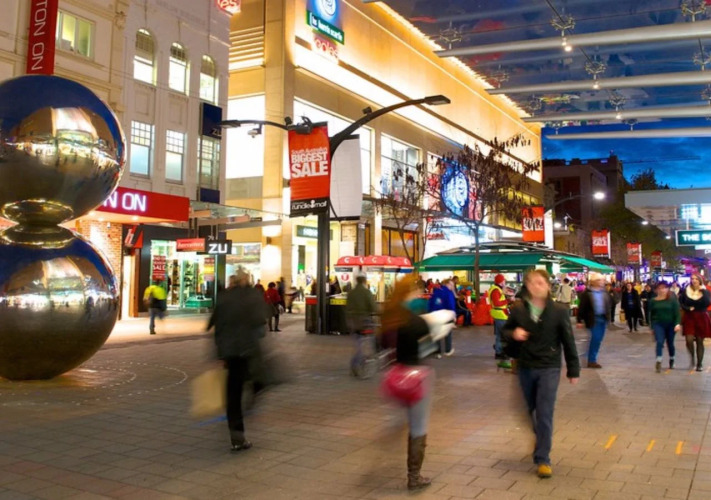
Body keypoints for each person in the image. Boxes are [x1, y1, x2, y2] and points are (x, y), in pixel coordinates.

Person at [502, 269, 580, 479]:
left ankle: (543, 458)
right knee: (531, 410)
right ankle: (541, 438)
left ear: (547, 286)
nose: (536, 286)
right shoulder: (519, 310)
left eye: (540, 283)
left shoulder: (559, 311)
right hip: (526, 366)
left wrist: (573, 369)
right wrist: (513, 333)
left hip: (549, 366)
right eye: (532, 283)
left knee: (544, 412)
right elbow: (505, 331)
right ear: (527, 286)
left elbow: (568, 341)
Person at [381, 276, 434, 490]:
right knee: (418, 426)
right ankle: (414, 476)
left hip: (395, 377)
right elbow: (429, 349)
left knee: (404, 417)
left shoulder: (388, 317)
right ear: (410, 294)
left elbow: (380, 344)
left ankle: (395, 427)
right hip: (416, 377)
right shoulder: (416, 321)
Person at [207, 271, 268, 452]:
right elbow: (261, 323)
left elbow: (214, 324)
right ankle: (252, 395)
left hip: (230, 353)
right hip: (248, 350)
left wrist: (220, 353)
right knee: (258, 378)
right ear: (246, 281)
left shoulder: (224, 298)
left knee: (232, 393)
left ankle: (236, 435)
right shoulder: (251, 296)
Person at [576, 273, 610, 368]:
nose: (602, 282)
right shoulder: (587, 293)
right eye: (599, 280)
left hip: (603, 318)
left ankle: (588, 355)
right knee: (596, 339)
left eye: (602, 280)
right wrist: (579, 320)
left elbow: (609, 303)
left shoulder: (604, 292)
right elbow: (582, 307)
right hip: (593, 319)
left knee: (598, 339)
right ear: (593, 282)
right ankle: (591, 360)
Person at [679, 273, 711, 371]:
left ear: (700, 280)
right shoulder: (686, 290)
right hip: (690, 317)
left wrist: (703, 292)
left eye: (696, 279)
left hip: (701, 316)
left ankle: (699, 363)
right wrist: (687, 308)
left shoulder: (705, 291)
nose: (694, 280)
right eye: (692, 279)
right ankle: (692, 358)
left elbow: (707, 302)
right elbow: (681, 302)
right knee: (689, 340)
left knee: (699, 340)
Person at [346, 273, 377, 375]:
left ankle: (355, 363)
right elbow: (373, 308)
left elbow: (347, 308)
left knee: (357, 343)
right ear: (364, 281)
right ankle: (370, 357)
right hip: (365, 321)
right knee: (371, 339)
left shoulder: (351, 293)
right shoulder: (367, 292)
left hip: (353, 322)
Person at [649, 281, 681, 372]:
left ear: (667, 289)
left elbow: (677, 313)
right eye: (659, 288)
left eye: (663, 288)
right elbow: (651, 314)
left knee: (670, 343)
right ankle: (659, 360)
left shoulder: (672, 300)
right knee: (659, 342)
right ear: (656, 290)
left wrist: (677, 323)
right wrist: (652, 327)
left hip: (671, 324)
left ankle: (672, 359)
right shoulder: (653, 301)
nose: (661, 290)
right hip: (658, 324)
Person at [428, 279, 456, 356]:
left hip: (435, 315)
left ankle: (438, 351)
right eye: (451, 285)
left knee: (437, 333)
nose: (453, 287)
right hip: (446, 315)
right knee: (448, 333)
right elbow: (451, 304)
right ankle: (448, 350)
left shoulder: (436, 291)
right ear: (447, 284)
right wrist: (453, 315)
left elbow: (430, 302)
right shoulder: (448, 293)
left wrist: (430, 312)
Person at [489, 274, 511, 360]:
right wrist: (508, 300)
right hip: (500, 314)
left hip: (500, 314)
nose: (505, 282)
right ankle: (499, 352)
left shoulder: (497, 289)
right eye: (504, 280)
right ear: (501, 282)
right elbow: (497, 303)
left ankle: (498, 349)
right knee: (502, 335)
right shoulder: (496, 290)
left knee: (500, 334)